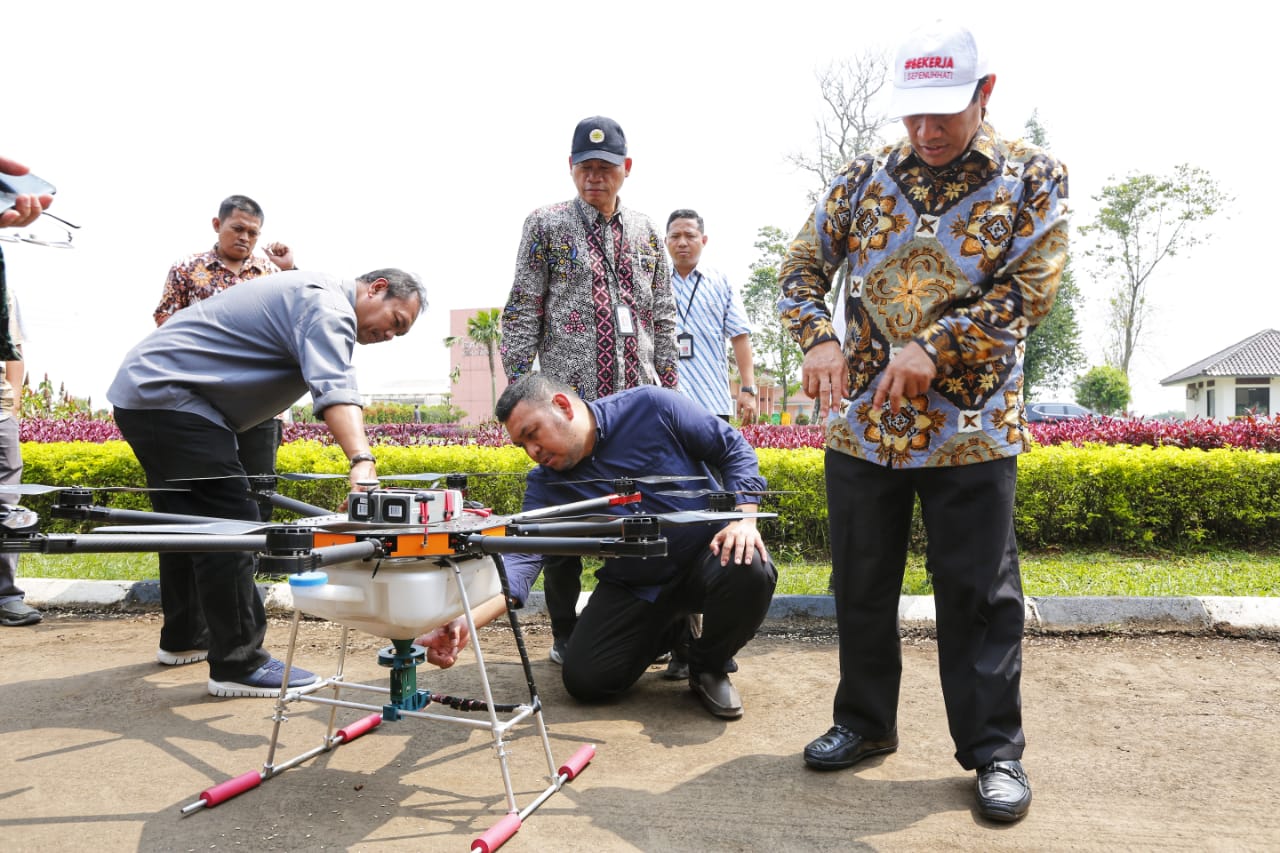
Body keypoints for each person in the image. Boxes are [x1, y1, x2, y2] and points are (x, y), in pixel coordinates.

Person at [777, 21, 1068, 823]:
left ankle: (993, 750)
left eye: (944, 113)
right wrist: (820, 337)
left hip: (971, 427)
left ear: (985, 94)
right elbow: (800, 267)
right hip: (864, 428)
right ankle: (864, 723)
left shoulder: (1032, 177)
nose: (927, 132)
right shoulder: (862, 176)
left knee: (977, 594)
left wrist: (934, 347)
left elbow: (1031, 288)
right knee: (861, 584)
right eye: (913, 115)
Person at [107, 268, 427, 697]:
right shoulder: (329, 307)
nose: (390, 335)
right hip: (173, 397)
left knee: (189, 523)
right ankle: (239, 663)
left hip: (153, 393)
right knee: (233, 523)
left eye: (399, 334)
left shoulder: (315, 294)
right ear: (377, 288)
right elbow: (334, 386)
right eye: (396, 322)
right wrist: (362, 460)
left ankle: (187, 637)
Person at [417, 374, 776, 719]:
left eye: (532, 434)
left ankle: (708, 667)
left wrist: (743, 520)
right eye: (522, 445)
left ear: (562, 406)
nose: (532, 451)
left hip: (706, 557)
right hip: (636, 585)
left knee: (750, 566)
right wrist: (466, 621)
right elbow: (523, 555)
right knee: (587, 682)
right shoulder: (545, 485)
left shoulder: (652, 406)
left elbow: (733, 449)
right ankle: (672, 629)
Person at [500, 116, 679, 664]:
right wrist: (520, 390)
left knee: (659, 519)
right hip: (568, 410)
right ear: (571, 168)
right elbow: (523, 307)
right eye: (585, 167)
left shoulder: (649, 232)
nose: (594, 177)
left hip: (635, 407)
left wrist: (669, 391)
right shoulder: (546, 226)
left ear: (626, 169)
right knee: (563, 526)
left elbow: (664, 315)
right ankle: (563, 632)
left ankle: (676, 636)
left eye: (605, 168)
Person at [154, 195, 296, 502]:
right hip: (202, 398)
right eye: (237, 228)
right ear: (218, 225)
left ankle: (255, 551)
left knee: (260, 487)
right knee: (205, 483)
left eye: (253, 233)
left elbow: (300, 314)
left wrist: (290, 269)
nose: (245, 238)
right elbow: (165, 321)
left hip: (262, 401)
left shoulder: (271, 273)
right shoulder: (187, 269)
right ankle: (210, 549)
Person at [0, 155, 48, 628]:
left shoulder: (4, 286)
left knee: (5, 503)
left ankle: (4, 595)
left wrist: (10, 401)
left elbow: (13, 350)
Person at [666, 209, 757, 423]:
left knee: (713, 457)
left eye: (690, 236)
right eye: (675, 236)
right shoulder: (654, 282)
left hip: (711, 400)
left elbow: (739, 335)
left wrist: (748, 388)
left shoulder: (721, 282)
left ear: (703, 240)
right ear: (666, 240)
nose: (682, 242)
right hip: (666, 402)